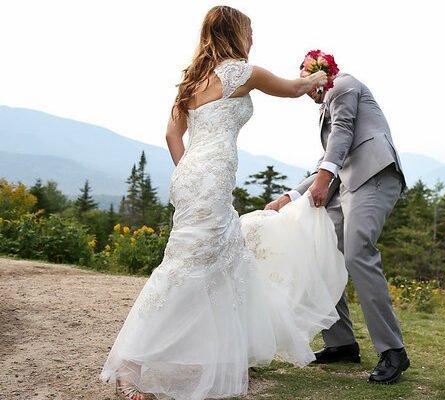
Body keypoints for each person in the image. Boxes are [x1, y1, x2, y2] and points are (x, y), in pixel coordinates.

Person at [99, 6, 348, 400]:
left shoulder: (192, 80)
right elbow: (295, 88)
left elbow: (171, 135)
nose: (252, 40)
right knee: (186, 267)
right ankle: (130, 366)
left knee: (230, 259)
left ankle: (227, 362)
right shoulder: (242, 71)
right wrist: (321, 73)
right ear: (236, 33)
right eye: (249, 31)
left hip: (192, 176)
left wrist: (189, 172)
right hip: (212, 177)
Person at [265, 58, 409, 384]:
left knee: (357, 253)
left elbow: (343, 133)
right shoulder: (326, 104)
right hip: (344, 185)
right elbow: (326, 160)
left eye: (309, 86)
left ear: (321, 73)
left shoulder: (344, 84)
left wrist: (322, 181)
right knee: (321, 254)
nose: (308, 94)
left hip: (372, 175)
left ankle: (393, 351)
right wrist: (288, 197)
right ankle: (341, 342)